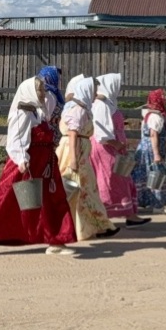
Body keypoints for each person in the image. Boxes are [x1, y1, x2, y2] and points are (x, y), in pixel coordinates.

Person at [0, 75, 77, 257]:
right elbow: (15, 139)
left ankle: (56, 239)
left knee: (52, 202)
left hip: (45, 166)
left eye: (42, 90)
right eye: (40, 90)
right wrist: (22, 160)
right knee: (5, 203)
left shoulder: (37, 111)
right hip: (25, 167)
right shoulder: (22, 112)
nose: (43, 93)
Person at [57, 75, 119, 240]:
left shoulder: (82, 108)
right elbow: (72, 133)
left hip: (80, 151)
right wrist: (73, 159)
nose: (95, 94)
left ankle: (95, 226)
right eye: (93, 91)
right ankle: (98, 226)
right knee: (82, 190)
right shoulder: (78, 110)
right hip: (75, 151)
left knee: (85, 190)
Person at [91, 73, 150, 227]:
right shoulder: (101, 105)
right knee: (109, 181)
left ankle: (130, 214)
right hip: (106, 149)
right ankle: (104, 215)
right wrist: (116, 144)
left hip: (114, 148)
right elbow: (100, 132)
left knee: (123, 179)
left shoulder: (110, 103)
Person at [132, 88, 166, 212]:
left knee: (145, 175)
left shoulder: (148, 114)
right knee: (156, 174)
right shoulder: (155, 116)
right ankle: (157, 205)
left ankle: (143, 202)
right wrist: (156, 154)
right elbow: (153, 134)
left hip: (144, 148)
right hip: (152, 149)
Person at [37, 65, 65, 146]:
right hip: (50, 137)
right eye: (57, 76)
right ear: (51, 77)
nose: (59, 79)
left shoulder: (51, 92)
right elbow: (44, 118)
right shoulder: (49, 95)